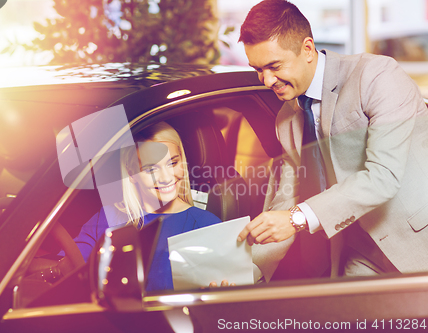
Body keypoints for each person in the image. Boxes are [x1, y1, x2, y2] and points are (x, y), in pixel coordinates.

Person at [236, 0, 428, 279]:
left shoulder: (377, 76)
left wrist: (296, 218)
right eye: (257, 69)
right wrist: (245, 274)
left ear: (308, 49)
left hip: (418, 240)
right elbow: (286, 203)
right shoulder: (286, 120)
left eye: (274, 65)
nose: (266, 80)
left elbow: (383, 176)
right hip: (359, 255)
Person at [69, 121, 222, 291]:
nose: (166, 177)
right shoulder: (108, 217)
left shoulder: (206, 225)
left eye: (173, 163)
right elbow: (69, 267)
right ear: (131, 173)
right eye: (151, 169)